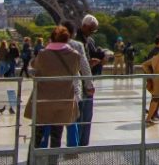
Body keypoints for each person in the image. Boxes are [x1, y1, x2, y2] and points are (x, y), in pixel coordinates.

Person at [26, 26, 82, 159]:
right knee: (56, 137)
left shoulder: (44, 54)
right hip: (63, 101)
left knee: (37, 137)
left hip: (43, 101)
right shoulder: (75, 56)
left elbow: (33, 65)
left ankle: (31, 161)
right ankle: (53, 162)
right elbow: (76, 71)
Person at [60, 20, 94, 147]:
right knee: (72, 120)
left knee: (53, 123)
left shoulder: (50, 45)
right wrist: (89, 85)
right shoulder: (77, 45)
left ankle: (48, 150)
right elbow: (84, 67)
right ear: (73, 33)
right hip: (72, 88)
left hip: (54, 88)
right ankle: (73, 149)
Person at [74, 14, 104, 145]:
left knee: (84, 116)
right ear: (84, 26)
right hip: (81, 84)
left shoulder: (87, 40)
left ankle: (80, 143)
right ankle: (80, 143)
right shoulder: (78, 42)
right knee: (83, 116)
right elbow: (82, 65)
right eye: (92, 29)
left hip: (83, 83)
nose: (93, 32)